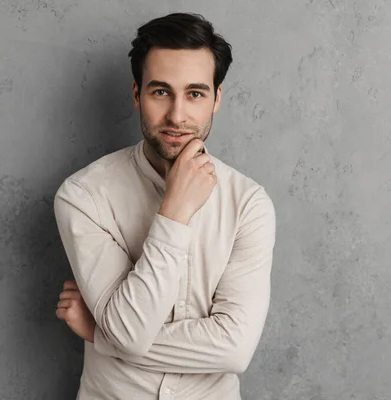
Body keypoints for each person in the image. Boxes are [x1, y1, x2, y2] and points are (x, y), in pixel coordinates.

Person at [53, 12, 276, 400]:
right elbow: (130, 333)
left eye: (195, 93)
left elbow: (235, 349)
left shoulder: (249, 204)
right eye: (160, 92)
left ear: (216, 99)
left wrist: (100, 334)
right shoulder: (83, 196)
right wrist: (175, 209)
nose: (177, 115)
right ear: (137, 94)